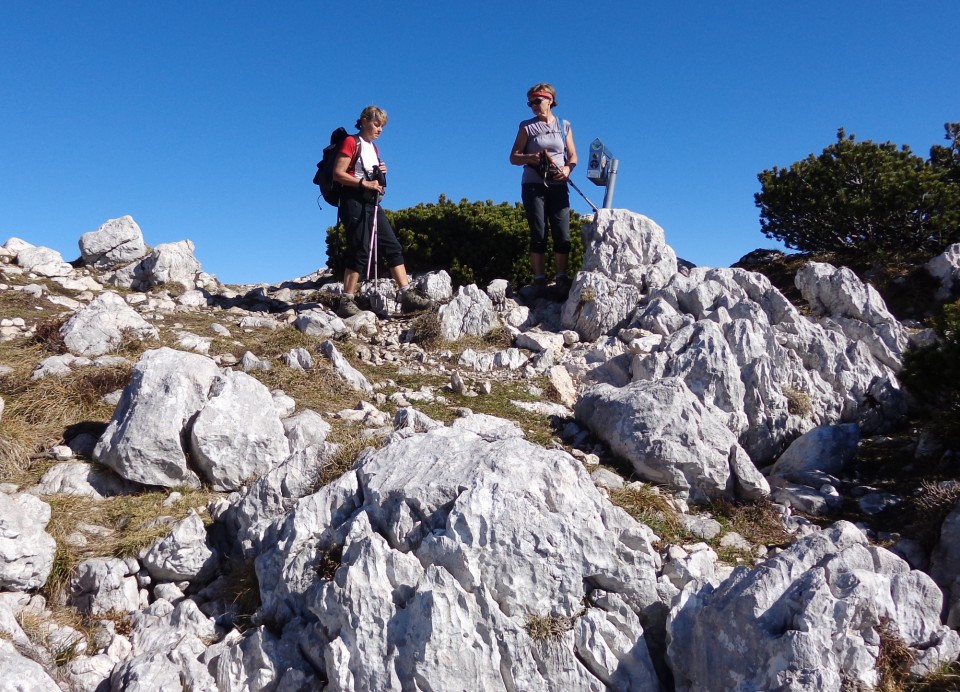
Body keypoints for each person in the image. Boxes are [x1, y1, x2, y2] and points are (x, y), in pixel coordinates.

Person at [332, 105, 433, 317]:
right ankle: (346, 300)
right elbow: (338, 174)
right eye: (376, 124)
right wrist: (363, 184)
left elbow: (370, 177)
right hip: (354, 201)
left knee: (392, 245)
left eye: (382, 126)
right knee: (360, 248)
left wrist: (379, 175)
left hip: (372, 202)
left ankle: (406, 295)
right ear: (364, 120)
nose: (380, 129)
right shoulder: (352, 142)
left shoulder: (373, 148)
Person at [509, 82, 578, 300]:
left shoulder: (564, 125)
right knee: (538, 231)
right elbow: (513, 157)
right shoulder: (527, 127)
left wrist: (567, 168)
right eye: (530, 103)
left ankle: (561, 278)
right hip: (533, 184)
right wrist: (529, 157)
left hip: (558, 183)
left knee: (562, 231)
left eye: (537, 101)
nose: (534, 106)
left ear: (550, 100)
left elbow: (573, 155)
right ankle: (539, 280)